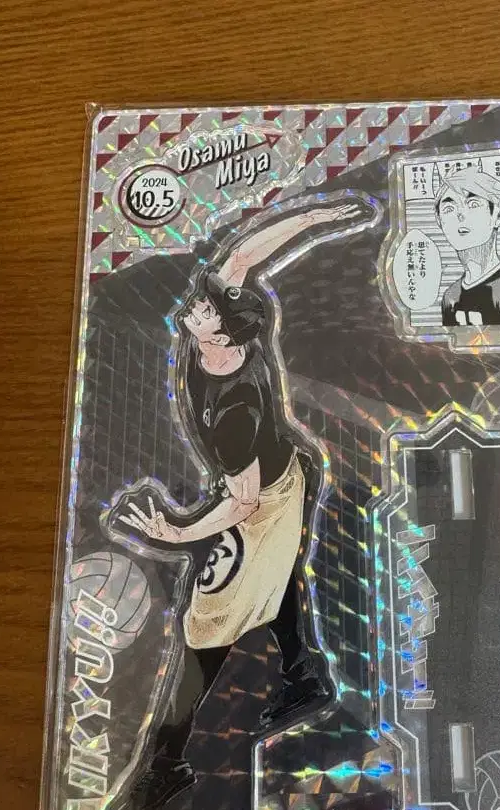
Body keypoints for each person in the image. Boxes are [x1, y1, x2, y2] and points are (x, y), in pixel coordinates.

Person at [113, 202, 361, 809]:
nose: (192, 307)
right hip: (267, 482)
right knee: (271, 586)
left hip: (265, 500)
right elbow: (246, 254)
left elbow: (244, 502)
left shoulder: (235, 410)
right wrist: (319, 215)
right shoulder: (221, 329)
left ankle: (164, 765)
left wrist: (176, 535)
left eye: (203, 310)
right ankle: (305, 677)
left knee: (206, 626)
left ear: (221, 335)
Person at [435, 166, 500, 327]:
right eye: (449, 208)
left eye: (473, 204)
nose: (460, 214)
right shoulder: (450, 297)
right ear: (439, 220)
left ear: (498, 213)